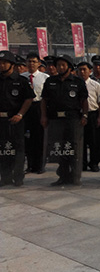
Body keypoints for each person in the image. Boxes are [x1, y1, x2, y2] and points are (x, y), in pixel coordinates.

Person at [41, 55, 89, 186]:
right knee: (60, 148)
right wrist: (44, 116)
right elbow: (44, 100)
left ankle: (75, 176)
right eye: (58, 65)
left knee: (73, 148)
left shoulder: (78, 82)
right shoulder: (50, 81)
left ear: (69, 67)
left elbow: (84, 101)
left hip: (72, 119)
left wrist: (85, 115)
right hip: (55, 119)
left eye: (63, 65)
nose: (60, 67)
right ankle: (62, 176)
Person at [0, 51, 34, 186]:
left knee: (18, 149)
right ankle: (5, 177)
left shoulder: (21, 81)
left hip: (15, 119)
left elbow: (29, 98)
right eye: (0, 63)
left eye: (4, 63)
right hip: (1, 120)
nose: (2, 65)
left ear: (12, 64)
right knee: (3, 149)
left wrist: (20, 114)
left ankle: (18, 177)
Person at [21, 52, 48, 174]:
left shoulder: (44, 78)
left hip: (39, 107)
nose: (31, 64)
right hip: (25, 108)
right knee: (27, 138)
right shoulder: (21, 77)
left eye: (34, 61)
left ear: (39, 63)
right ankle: (30, 165)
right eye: (29, 61)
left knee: (39, 137)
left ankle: (40, 165)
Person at [77, 61, 100, 172]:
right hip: (78, 114)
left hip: (93, 114)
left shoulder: (95, 85)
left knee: (94, 140)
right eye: (80, 70)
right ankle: (82, 163)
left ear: (90, 71)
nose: (82, 72)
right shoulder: (75, 84)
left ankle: (94, 163)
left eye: (84, 70)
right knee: (80, 140)